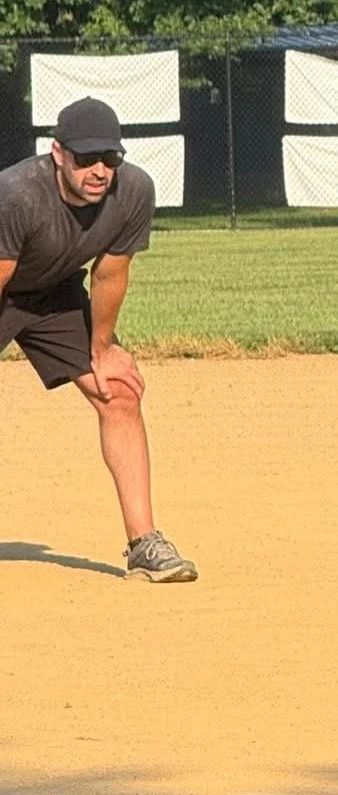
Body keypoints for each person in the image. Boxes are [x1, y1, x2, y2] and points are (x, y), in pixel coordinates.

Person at [0, 97, 197, 583]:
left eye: (109, 158)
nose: (98, 170)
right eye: (86, 158)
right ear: (58, 154)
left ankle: (145, 544)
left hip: (53, 296)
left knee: (120, 392)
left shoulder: (133, 192)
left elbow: (110, 274)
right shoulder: (17, 194)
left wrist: (102, 347)